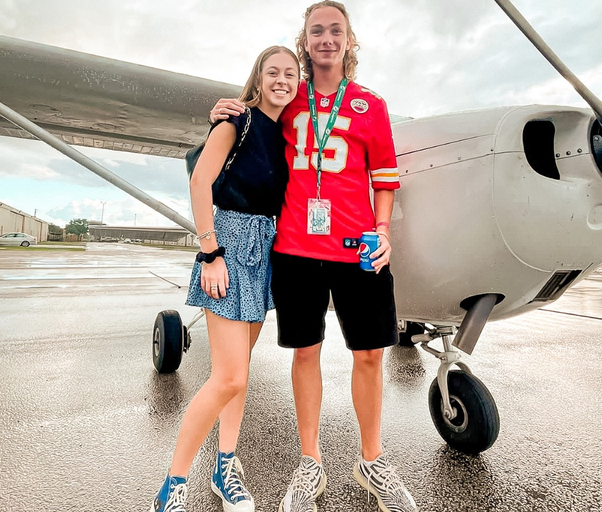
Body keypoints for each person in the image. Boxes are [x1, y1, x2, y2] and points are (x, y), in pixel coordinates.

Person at [209, 2, 418, 511]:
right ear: (305, 41)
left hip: (358, 248)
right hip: (296, 249)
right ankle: (310, 463)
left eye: (336, 30)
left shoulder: (372, 104)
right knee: (307, 352)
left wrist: (384, 229)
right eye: (316, 31)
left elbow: (385, 178)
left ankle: (372, 461)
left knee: (369, 354)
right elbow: (248, 123)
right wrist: (224, 111)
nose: (326, 38)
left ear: (349, 40)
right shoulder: (288, 98)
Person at [151, 45, 300, 512]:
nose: (282, 79)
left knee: (239, 375)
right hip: (230, 243)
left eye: (290, 73)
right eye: (272, 72)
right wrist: (211, 252)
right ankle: (173, 486)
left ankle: (226, 465)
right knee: (228, 377)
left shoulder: (290, 132)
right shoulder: (237, 120)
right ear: (258, 79)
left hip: (268, 246)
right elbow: (201, 184)